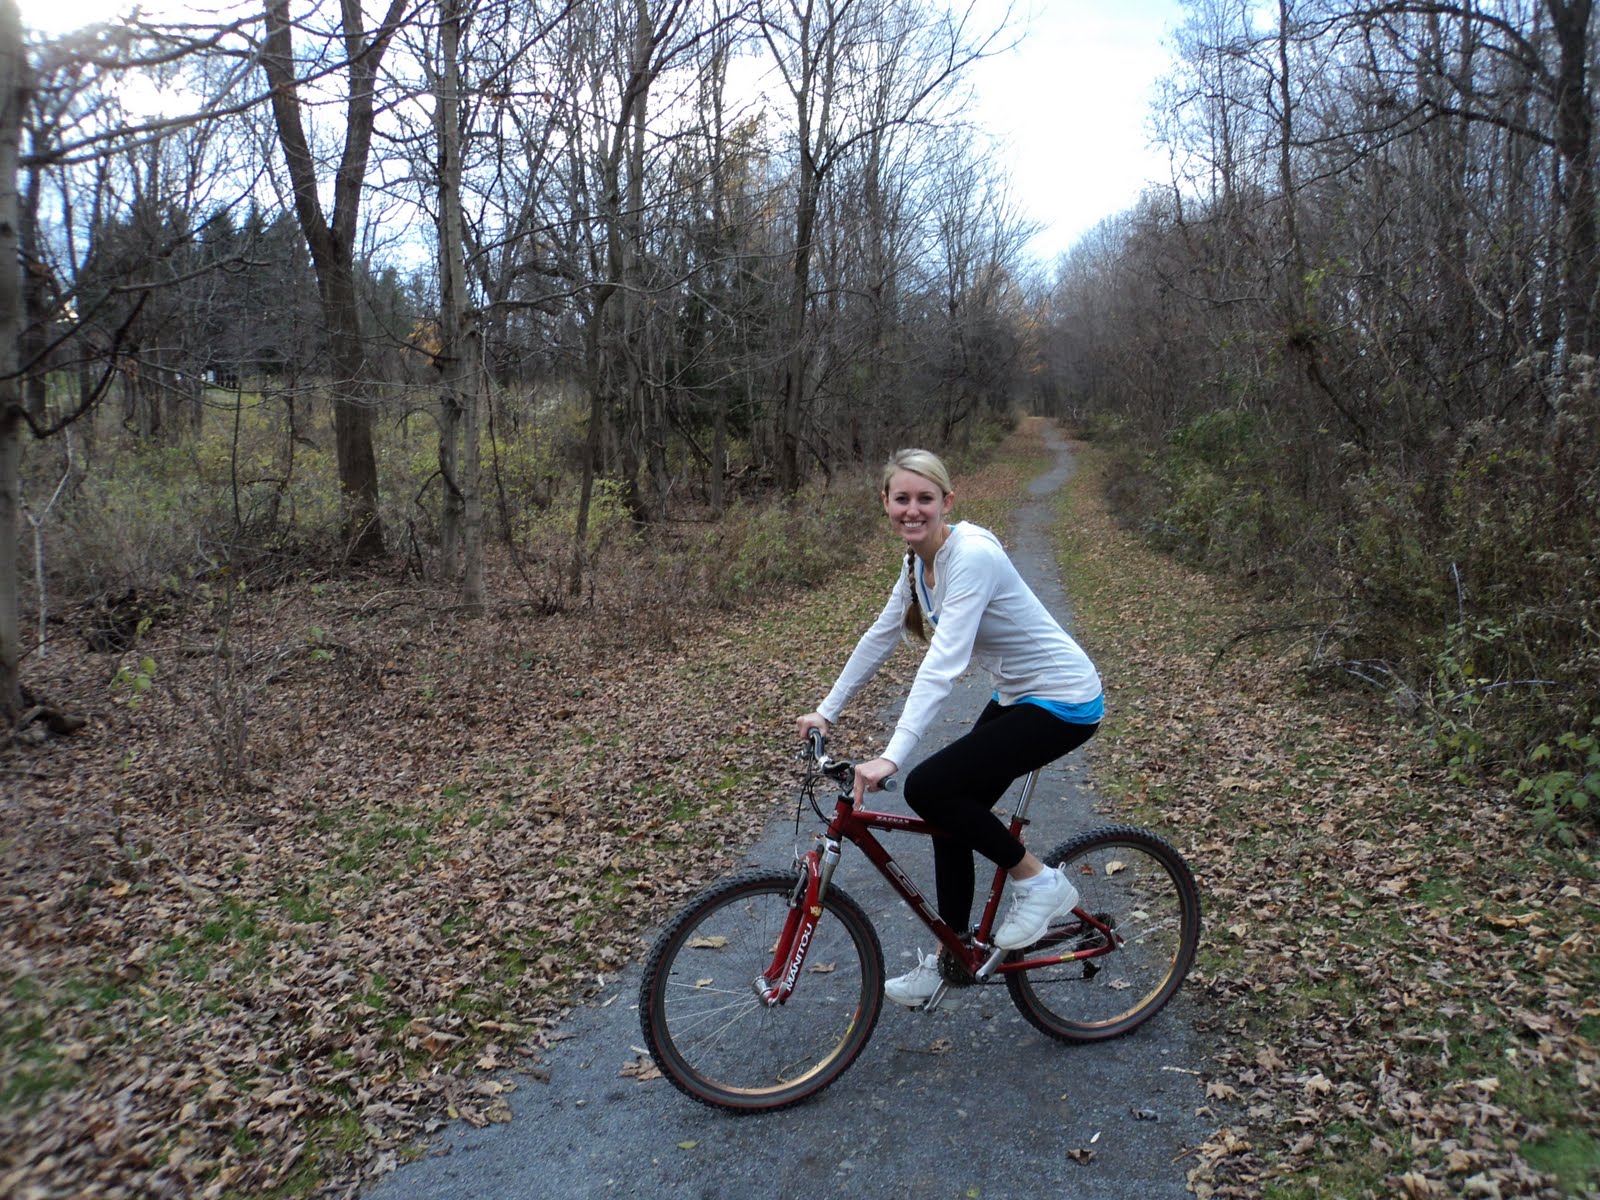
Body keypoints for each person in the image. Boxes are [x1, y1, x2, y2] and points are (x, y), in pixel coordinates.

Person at [796, 448, 1103, 1008]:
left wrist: (892, 755)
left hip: (1064, 699)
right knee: (948, 811)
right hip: (1017, 695)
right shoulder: (918, 563)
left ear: (947, 502)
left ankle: (1039, 881)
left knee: (928, 786)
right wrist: (828, 709)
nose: (912, 510)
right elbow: (881, 636)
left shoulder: (972, 556)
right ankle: (955, 954)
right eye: (901, 499)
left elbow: (942, 664)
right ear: (886, 504)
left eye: (924, 499)